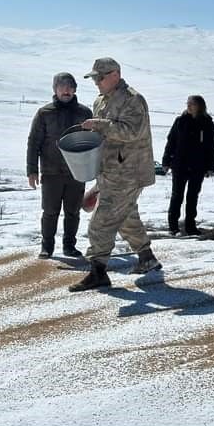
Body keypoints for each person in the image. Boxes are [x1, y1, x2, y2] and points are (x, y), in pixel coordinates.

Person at [68, 57, 161, 292]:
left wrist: (99, 125)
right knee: (126, 215)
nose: (96, 82)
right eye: (94, 78)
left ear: (115, 75)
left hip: (129, 172)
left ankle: (98, 271)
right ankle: (147, 257)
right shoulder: (101, 100)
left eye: (100, 77)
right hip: (110, 170)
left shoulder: (133, 100)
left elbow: (131, 132)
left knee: (101, 223)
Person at [26, 73, 93, 259]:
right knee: (50, 212)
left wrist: (94, 168)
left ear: (75, 89)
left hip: (77, 172)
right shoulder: (44, 113)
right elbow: (34, 142)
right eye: (62, 86)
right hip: (51, 171)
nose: (66, 90)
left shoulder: (85, 114)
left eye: (70, 86)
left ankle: (69, 246)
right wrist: (32, 170)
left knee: (73, 212)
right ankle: (47, 247)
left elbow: (93, 142)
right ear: (55, 89)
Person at [162, 95, 214, 235]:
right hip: (180, 164)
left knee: (192, 196)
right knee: (177, 196)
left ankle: (190, 226)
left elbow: (211, 145)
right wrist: (166, 161)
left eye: (192, 104)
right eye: (188, 103)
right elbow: (171, 141)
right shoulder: (180, 121)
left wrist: (210, 166)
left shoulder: (207, 122)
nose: (189, 106)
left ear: (200, 106)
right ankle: (173, 226)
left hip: (198, 166)